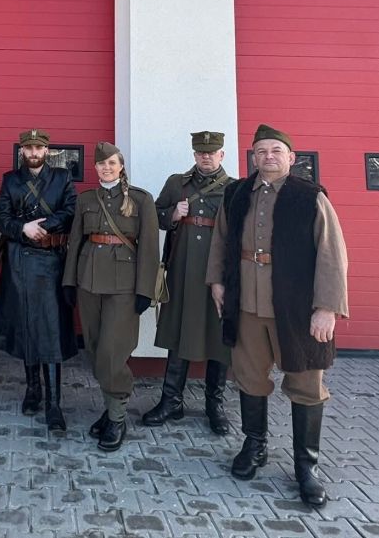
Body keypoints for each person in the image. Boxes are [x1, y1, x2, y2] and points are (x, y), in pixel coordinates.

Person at [207, 124, 349, 508]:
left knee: (306, 383)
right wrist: (217, 282)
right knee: (250, 377)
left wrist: (327, 308)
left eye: (275, 150)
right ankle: (255, 446)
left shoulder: (310, 196)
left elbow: (332, 254)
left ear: (291, 157)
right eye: (261, 151)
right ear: (253, 156)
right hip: (247, 304)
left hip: (297, 308)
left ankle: (306, 466)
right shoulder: (236, 193)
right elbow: (221, 239)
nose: (268, 157)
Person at [63, 142, 159, 450]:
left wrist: (145, 290)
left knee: (112, 351)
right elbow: (76, 241)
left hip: (124, 285)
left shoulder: (141, 199)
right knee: (94, 348)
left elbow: (149, 248)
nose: (106, 168)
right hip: (88, 281)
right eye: (101, 164)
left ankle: (117, 418)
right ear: (95, 168)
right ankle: (110, 410)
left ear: (121, 166)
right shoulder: (86, 199)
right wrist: (69, 281)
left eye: (112, 163)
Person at [143, 131, 234, 435]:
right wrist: (173, 213)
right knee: (178, 331)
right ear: (194, 155)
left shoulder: (234, 188)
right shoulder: (176, 183)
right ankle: (171, 401)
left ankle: (214, 405)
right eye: (201, 152)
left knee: (218, 336)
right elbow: (155, 216)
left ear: (221, 154)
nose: (206, 157)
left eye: (212, 152)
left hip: (218, 273)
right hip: (182, 269)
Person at [0, 128, 78, 431]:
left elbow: (71, 210)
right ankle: (33, 389)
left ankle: (54, 403)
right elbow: (1, 217)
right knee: (27, 325)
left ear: (46, 150)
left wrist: (47, 225)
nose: (33, 152)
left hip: (52, 260)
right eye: (28, 148)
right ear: (22, 151)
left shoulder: (62, 177)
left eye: (38, 148)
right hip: (19, 261)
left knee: (50, 330)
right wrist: (23, 229)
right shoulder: (10, 180)